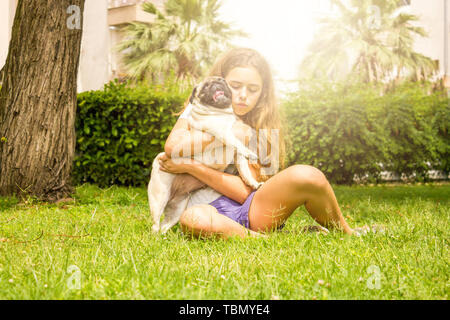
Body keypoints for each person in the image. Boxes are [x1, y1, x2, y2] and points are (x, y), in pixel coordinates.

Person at [158, 47, 358, 239]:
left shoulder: (263, 127)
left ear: (262, 92)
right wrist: (226, 132)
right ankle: (264, 239)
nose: (243, 95)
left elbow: (245, 192)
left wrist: (191, 166)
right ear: (219, 83)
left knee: (308, 175)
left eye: (253, 89)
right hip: (205, 209)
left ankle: (347, 232)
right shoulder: (198, 109)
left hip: (251, 209)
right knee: (194, 219)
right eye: (235, 86)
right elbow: (172, 148)